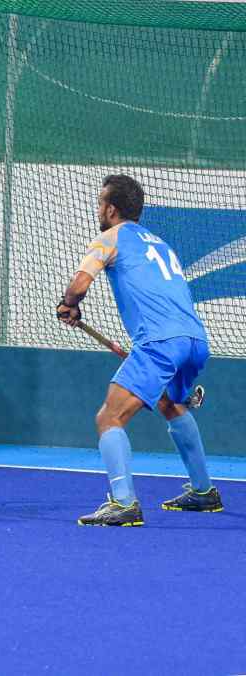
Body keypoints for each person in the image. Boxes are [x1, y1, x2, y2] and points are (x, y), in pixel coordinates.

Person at [57, 174, 221, 527]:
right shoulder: (161, 244)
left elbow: (80, 283)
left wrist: (68, 304)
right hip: (195, 340)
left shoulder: (110, 237)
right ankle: (204, 491)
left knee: (109, 417)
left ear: (111, 209)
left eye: (100, 203)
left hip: (160, 344)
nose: (98, 209)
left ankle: (123, 503)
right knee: (171, 403)